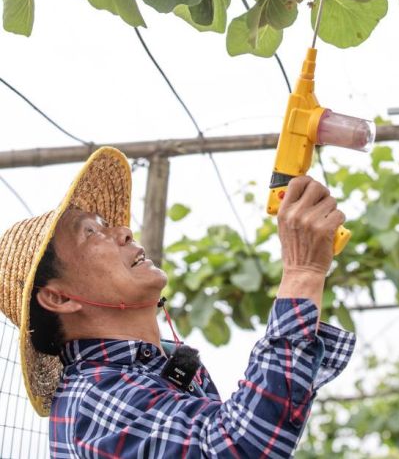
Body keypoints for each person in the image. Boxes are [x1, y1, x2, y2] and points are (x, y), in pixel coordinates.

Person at [0, 146, 355, 458]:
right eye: (91, 232)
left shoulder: (154, 370)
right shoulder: (92, 398)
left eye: (107, 224)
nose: (123, 232)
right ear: (58, 297)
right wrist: (303, 272)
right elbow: (236, 448)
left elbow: (246, 429)